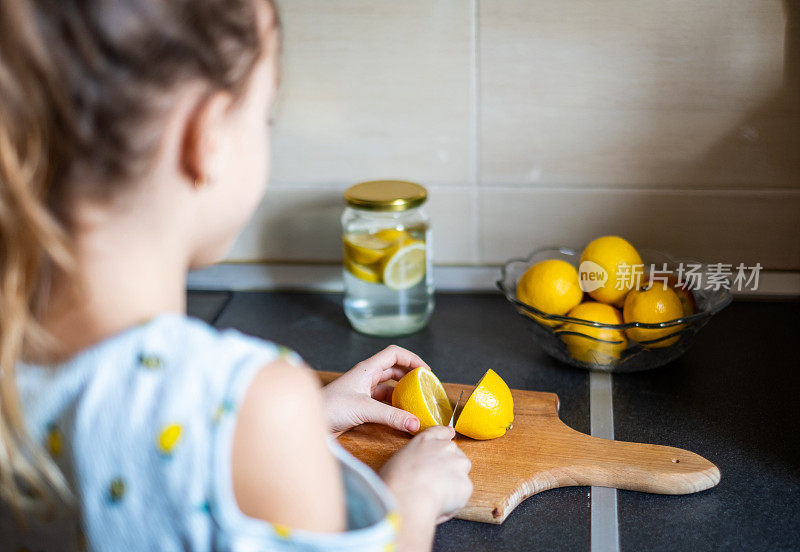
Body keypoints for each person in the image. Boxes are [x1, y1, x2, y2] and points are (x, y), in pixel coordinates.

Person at [0, 1, 473, 550]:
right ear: (207, 138)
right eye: (263, 115)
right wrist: (408, 500)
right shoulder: (261, 400)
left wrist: (288, 434)